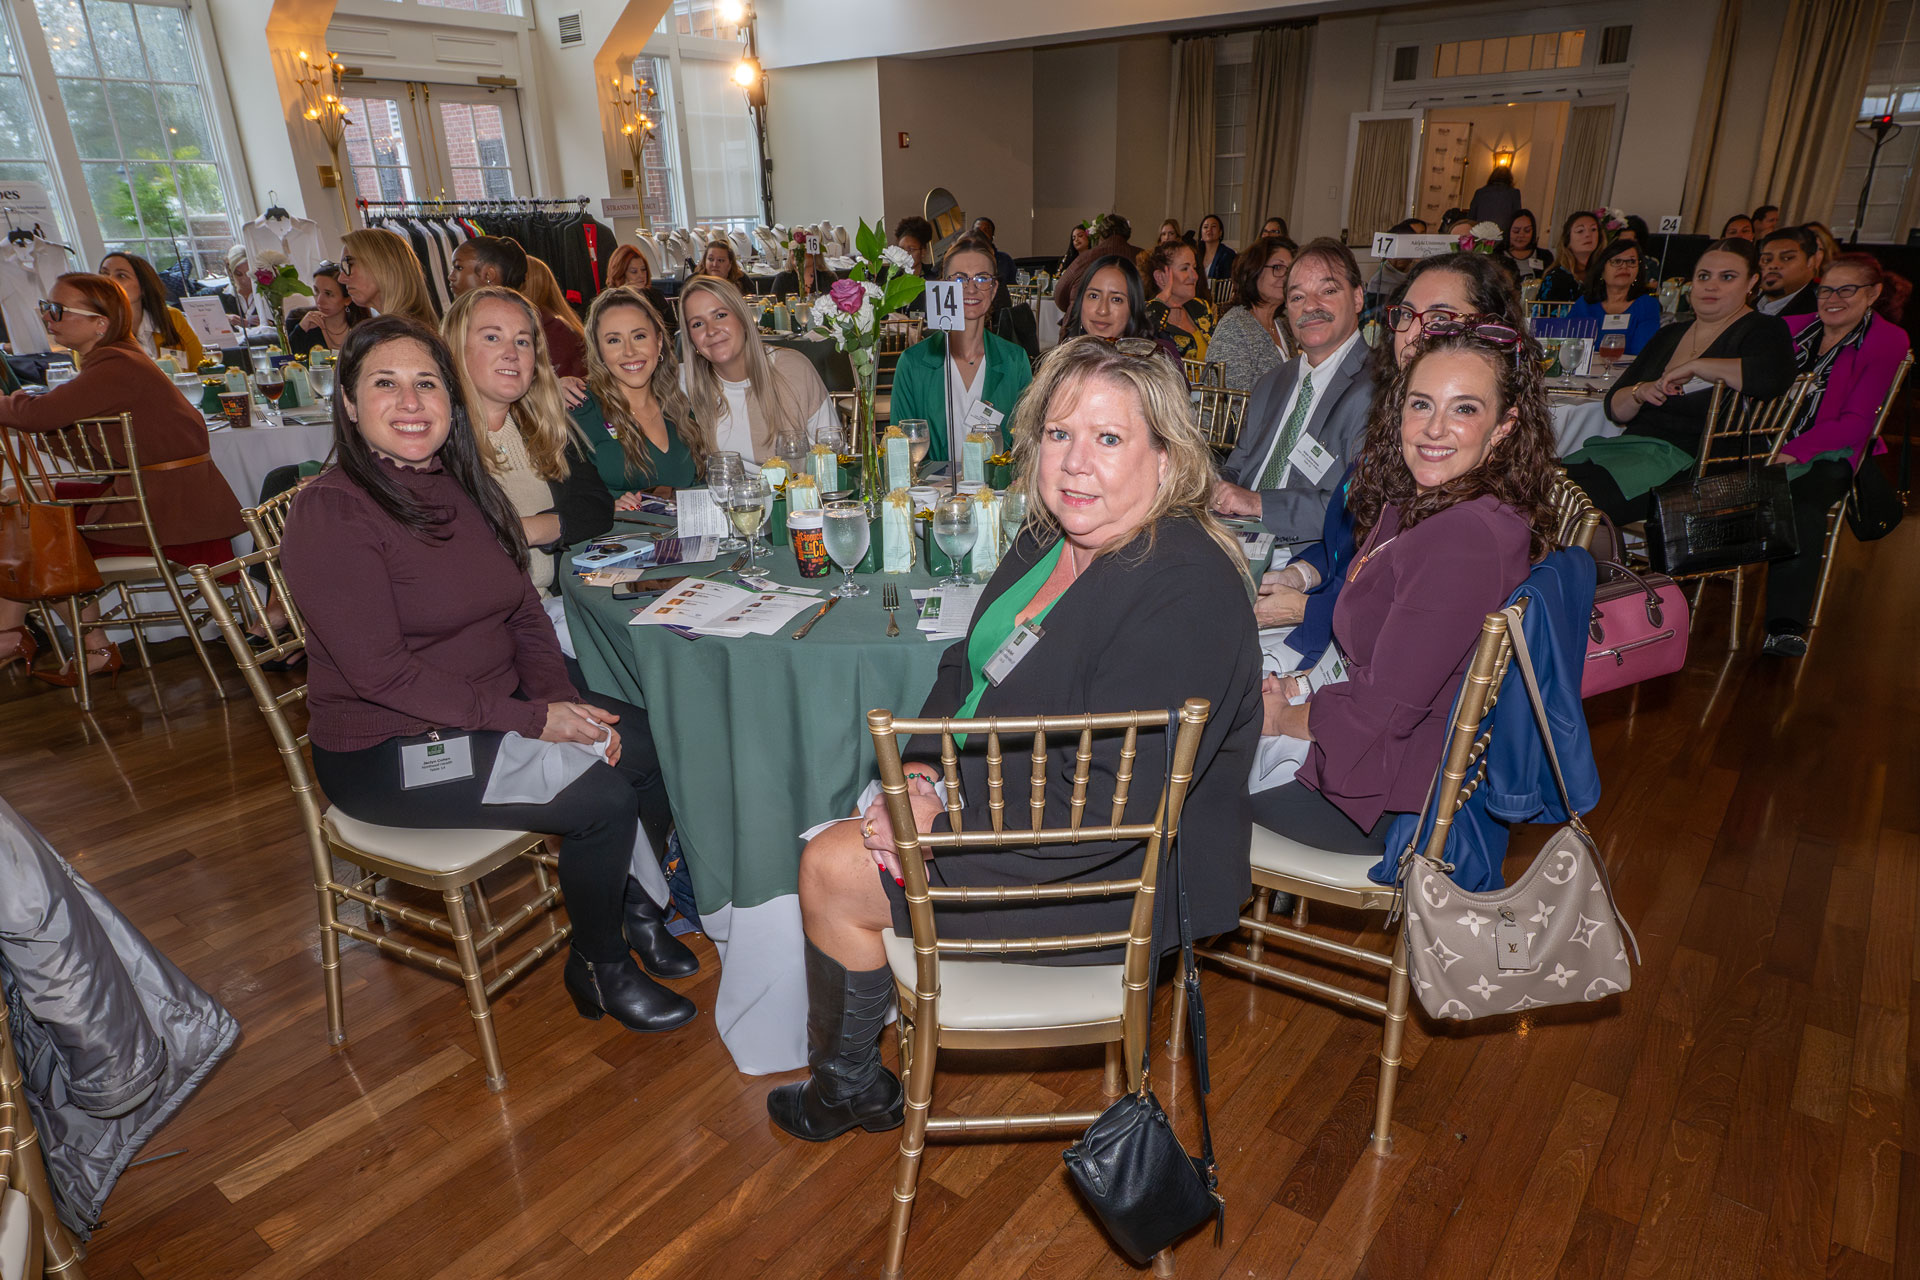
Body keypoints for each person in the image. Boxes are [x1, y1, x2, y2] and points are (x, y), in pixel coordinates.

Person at [764, 336, 1260, 1140]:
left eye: (1108, 438)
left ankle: (843, 1089)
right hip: (1008, 803)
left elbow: (1106, 814)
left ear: (1166, 458)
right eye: (1059, 434)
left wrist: (940, 830)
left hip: (1093, 876)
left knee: (828, 868)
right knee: (855, 824)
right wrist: (920, 778)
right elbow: (964, 670)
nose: (1074, 464)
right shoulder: (1051, 535)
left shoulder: (1184, 590)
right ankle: (851, 1081)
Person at [281, 316, 698, 1036]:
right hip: (391, 750)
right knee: (599, 797)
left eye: (427, 384)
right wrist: (535, 721)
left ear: (450, 399)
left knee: (648, 745)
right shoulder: (332, 513)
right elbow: (381, 675)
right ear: (348, 402)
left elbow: (523, 611)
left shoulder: (461, 486)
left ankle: (634, 910)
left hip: (488, 711)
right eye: (385, 384)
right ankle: (599, 964)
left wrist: (558, 700)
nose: (410, 403)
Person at [1252, 325, 1559, 851]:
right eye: (1421, 404)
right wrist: (1301, 692)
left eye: (1464, 409)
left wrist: (1281, 717)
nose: (1434, 429)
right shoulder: (1429, 501)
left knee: (1181, 795)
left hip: (1375, 793)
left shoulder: (1460, 539)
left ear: (1504, 427)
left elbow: (1381, 714)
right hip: (1379, 752)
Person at [1255, 252, 1531, 641]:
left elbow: (1410, 632)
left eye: (1439, 318)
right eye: (1407, 315)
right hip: (1335, 607)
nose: (1414, 334)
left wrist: (1305, 609)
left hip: (1353, 641)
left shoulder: (1447, 453)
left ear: (1487, 330)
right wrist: (1302, 573)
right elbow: (1356, 540)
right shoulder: (1397, 427)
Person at [0, 274, 243, 684]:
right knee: (16, 498)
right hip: (170, 498)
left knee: (40, 532)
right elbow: (98, 452)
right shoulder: (116, 359)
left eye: (57, 310)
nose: (47, 318)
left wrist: (12, 404)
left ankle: (47, 640)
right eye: (45, 307)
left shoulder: (114, 365)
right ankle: (21, 634)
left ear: (100, 323)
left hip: (169, 512)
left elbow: (39, 416)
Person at [1562, 238, 1796, 524]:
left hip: (1702, 468)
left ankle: (1588, 550)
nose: (1711, 286)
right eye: (1703, 276)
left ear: (1751, 282)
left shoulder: (1763, 329)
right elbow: (1614, 409)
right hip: (1632, 455)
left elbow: (1773, 377)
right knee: (1541, 484)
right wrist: (1639, 392)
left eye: (1727, 277)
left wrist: (1700, 366)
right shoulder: (1670, 335)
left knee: (1571, 500)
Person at [1763, 255, 1912, 656]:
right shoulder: (1789, 328)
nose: (1833, 299)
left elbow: (1858, 422)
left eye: (1847, 290)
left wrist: (1792, 452)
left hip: (1832, 451)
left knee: (1802, 506)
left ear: (1873, 293)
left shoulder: (1886, 339)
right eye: (1826, 289)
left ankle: (1784, 626)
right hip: (1763, 440)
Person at [441, 285, 611, 597]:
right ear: (456, 347)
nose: (511, 353)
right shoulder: (436, 443)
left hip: (551, 607)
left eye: (522, 341)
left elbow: (596, 506)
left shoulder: (543, 426)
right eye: (492, 337)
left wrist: (528, 529)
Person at [1214, 238, 1373, 541]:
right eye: (1297, 297)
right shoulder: (1271, 383)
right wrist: (1213, 488)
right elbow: (1238, 467)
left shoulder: (1379, 388)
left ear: (1357, 298)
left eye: (1328, 291)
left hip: (1306, 555)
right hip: (1235, 540)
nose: (1310, 306)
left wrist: (1259, 505)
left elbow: (1360, 505)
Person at [889, 234, 1032, 461]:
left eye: (982, 278)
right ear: (943, 286)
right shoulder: (913, 363)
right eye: (959, 279)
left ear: (994, 288)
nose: (971, 288)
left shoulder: (1015, 360)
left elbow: (1026, 445)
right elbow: (900, 452)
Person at [679, 275, 836, 463]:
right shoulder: (682, 386)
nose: (711, 330)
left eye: (720, 315)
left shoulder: (793, 370)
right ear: (691, 340)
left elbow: (831, 452)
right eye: (697, 324)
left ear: (743, 318)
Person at [576, 286, 704, 504]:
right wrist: (605, 507)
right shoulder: (582, 410)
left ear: (659, 342)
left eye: (639, 336)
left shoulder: (678, 408)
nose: (629, 351)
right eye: (614, 340)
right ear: (599, 350)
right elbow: (567, 498)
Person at [448, 238, 590, 381]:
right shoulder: (459, 322)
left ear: (489, 274)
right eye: (492, 338)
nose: (451, 277)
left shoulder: (550, 330)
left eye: (458, 267)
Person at [1204, 235, 1295, 392]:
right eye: (1277, 267)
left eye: (1290, 270)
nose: (1286, 278)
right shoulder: (1235, 327)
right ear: (1254, 270)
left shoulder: (1282, 323)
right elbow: (1233, 401)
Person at [1061, 254, 1182, 363]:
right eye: (1094, 296)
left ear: (1133, 308)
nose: (1102, 310)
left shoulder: (1158, 359)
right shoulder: (1063, 359)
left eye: (1116, 299)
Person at [98, 251, 205, 370]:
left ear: (143, 287)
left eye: (121, 276)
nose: (108, 281)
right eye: (104, 274)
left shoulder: (172, 318)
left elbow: (201, 368)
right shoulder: (94, 327)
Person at [1570, 238, 1662, 357]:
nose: (1624, 267)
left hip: (1630, 368)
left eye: (1631, 262)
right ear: (1602, 269)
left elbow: (1642, 353)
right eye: (1617, 261)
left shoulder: (1647, 305)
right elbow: (1568, 347)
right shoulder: (1585, 304)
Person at [339, 228, 439, 329]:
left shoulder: (402, 332)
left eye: (349, 265)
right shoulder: (406, 327)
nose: (341, 279)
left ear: (382, 265)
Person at [1053, 213, 1143, 324]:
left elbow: (1060, 295)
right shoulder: (1142, 257)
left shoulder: (1084, 258)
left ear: (1100, 234)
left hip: (1079, 325)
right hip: (1132, 325)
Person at [1141, 239, 1215, 361]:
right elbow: (1140, 345)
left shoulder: (1201, 307)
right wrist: (1161, 302)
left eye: (1194, 268)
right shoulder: (1148, 315)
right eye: (1184, 269)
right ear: (1160, 277)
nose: (1195, 276)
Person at [289, 262, 369, 357]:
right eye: (316, 291)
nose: (319, 300)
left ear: (347, 299)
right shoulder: (298, 321)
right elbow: (286, 360)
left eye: (328, 294)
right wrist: (300, 330)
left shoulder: (363, 329)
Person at [605, 243, 677, 342]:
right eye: (634, 272)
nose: (641, 275)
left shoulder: (656, 295)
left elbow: (672, 328)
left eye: (643, 270)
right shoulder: (610, 304)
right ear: (620, 274)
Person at [1364, 218, 1424, 319]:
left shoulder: (1420, 274)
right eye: (1393, 250)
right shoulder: (1378, 281)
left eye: (1403, 249)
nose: (1398, 256)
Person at [1537, 211, 1603, 303]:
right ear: (1567, 240)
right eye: (1580, 231)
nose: (1588, 235)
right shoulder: (1556, 277)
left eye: (1593, 229)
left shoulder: (1604, 274)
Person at [1756, 227, 1821, 317]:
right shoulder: (1748, 303)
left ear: (1810, 262)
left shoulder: (1820, 311)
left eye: (1787, 258)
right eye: (1767, 259)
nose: (1773, 265)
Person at [218, 244, 275, 338]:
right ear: (230, 272)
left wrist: (272, 325)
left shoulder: (269, 294)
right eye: (238, 274)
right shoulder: (219, 295)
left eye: (249, 274)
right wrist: (223, 318)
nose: (244, 279)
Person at [771, 233, 834, 301]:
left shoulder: (828, 277)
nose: (797, 253)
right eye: (794, 250)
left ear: (815, 254)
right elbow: (774, 305)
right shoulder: (782, 279)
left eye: (803, 250)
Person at [1501, 209, 1553, 279]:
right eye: (1516, 231)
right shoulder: (1497, 255)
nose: (1521, 235)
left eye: (1527, 231)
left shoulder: (1545, 256)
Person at [1467, 166, 1522, 231]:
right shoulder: (1514, 193)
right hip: (1503, 232)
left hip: (1481, 232)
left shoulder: (1480, 192)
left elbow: (1471, 217)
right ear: (1510, 178)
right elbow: (1517, 217)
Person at [970, 216, 1018, 286]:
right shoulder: (965, 259)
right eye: (978, 230)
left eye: (985, 230)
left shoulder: (1005, 260)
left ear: (992, 236)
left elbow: (1014, 287)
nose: (981, 234)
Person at [1197, 213, 1235, 282]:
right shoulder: (1196, 254)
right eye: (1205, 227)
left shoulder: (1227, 254)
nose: (1209, 229)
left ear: (1220, 232)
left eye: (1213, 226)